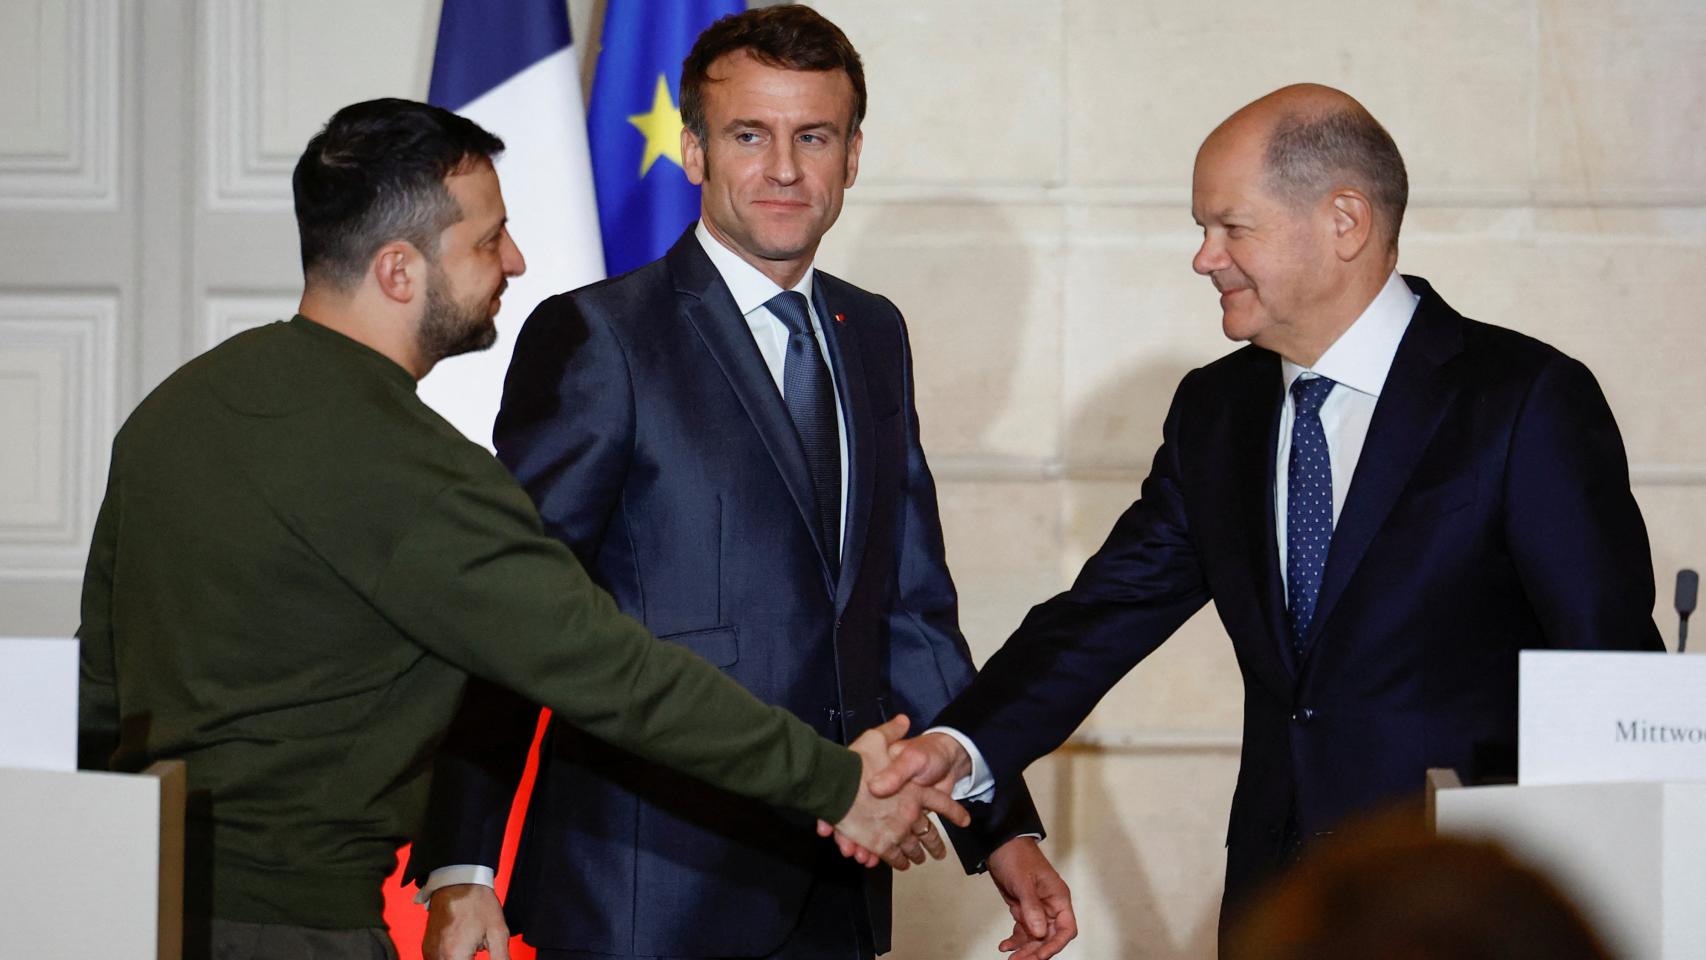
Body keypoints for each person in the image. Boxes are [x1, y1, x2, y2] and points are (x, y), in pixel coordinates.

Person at [75, 97, 964, 960]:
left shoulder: (172, 413)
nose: (517, 261)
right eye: (487, 239)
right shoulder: (408, 470)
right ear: (398, 271)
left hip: (133, 913)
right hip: (301, 928)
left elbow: (99, 691)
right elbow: (607, 669)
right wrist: (837, 783)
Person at [868, 82, 1665, 943]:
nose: (1204, 258)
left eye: (1230, 227)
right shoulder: (1218, 411)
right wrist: (962, 745)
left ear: (1344, 221)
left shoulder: (1521, 400)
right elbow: (1103, 615)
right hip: (1278, 907)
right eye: (1201, 230)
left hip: (1460, 910)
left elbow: (1610, 676)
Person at [407, 8, 1074, 960]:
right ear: (693, 151)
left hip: (838, 892)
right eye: (749, 136)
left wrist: (1001, 826)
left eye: (814, 137)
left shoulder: (873, 334)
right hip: (645, 893)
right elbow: (516, 611)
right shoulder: (602, 337)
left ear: (852, 157)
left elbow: (911, 611)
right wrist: (463, 864)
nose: (785, 168)